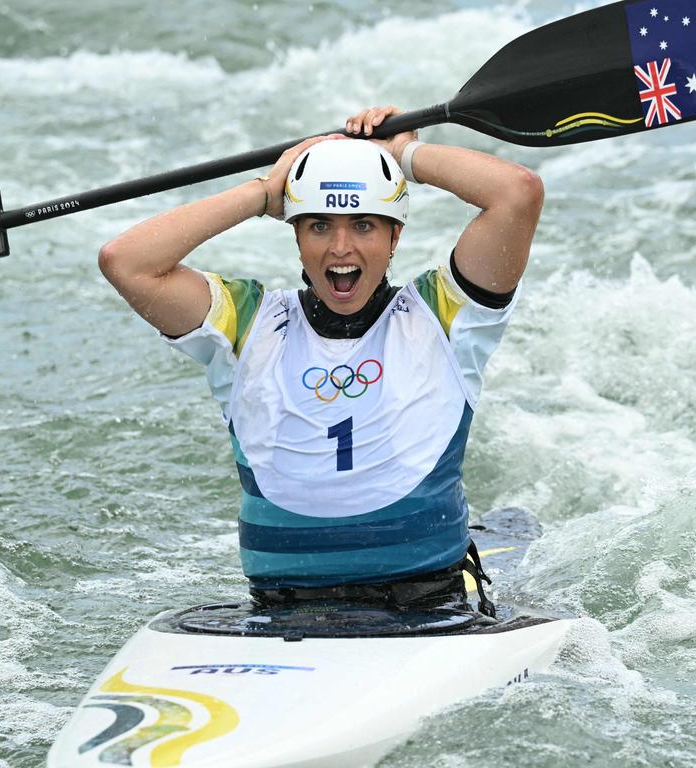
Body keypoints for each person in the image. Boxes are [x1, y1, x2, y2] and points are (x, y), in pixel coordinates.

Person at [98, 106, 543, 617]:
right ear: (295, 235)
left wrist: (402, 154)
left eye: (363, 225)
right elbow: (125, 262)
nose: (340, 247)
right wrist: (263, 193)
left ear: (395, 236)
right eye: (318, 225)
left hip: (428, 605)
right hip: (278, 609)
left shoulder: (443, 317)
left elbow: (517, 194)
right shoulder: (245, 324)